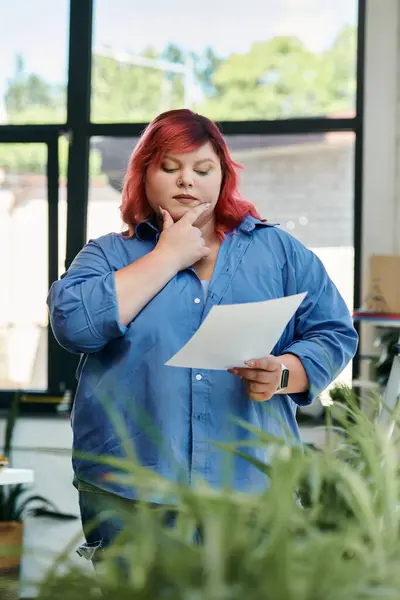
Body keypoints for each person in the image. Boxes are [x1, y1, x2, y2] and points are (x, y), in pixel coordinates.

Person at [47, 108, 358, 559]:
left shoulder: (278, 251)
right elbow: (73, 325)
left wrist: (285, 373)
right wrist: (165, 257)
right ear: (144, 176)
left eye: (202, 169)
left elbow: (332, 331)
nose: (186, 181)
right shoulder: (107, 255)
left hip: (252, 487)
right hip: (130, 491)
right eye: (169, 168)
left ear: (223, 177)